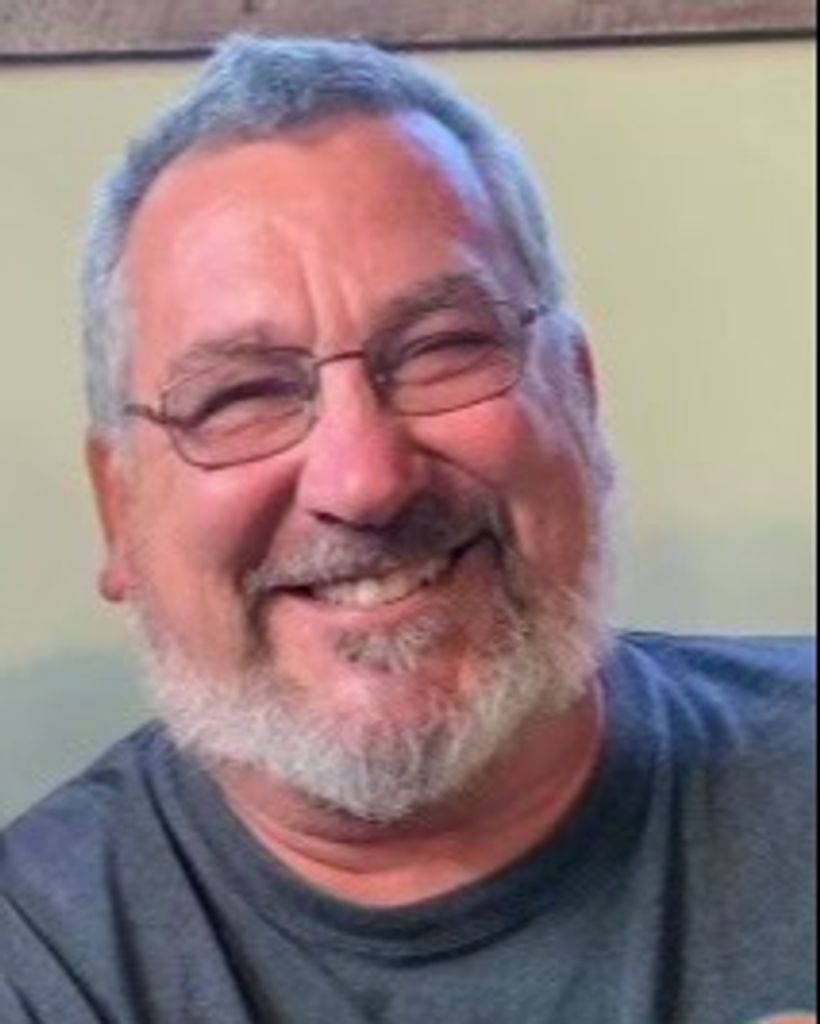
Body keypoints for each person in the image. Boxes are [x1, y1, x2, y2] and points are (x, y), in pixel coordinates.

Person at [0, 33, 814, 1024]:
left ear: (579, 398)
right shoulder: (37, 964)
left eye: (441, 349)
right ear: (119, 511)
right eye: (241, 397)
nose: (364, 480)